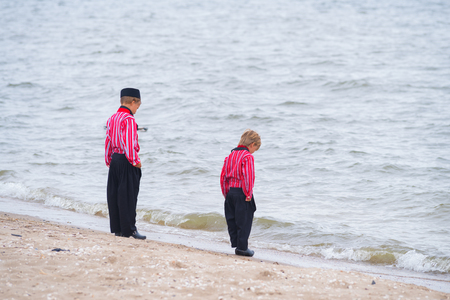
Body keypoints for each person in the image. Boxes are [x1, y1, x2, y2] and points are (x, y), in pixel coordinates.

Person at [105, 88, 146, 240]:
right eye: (138, 106)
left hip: (115, 160)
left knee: (115, 195)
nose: (137, 110)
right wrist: (136, 162)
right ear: (133, 102)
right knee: (128, 196)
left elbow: (108, 141)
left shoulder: (112, 118)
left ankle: (118, 229)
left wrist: (109, 159)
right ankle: (130, 230)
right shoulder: (129, 120)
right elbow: (128, 143)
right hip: (127, 160)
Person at [220, 129, 261, 257]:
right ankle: (242, 248)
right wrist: (248, 193)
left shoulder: (230, 156)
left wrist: (226, 193)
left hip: (230, 193)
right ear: (252, 144)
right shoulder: (248, 157)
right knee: (245, 220)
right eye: (256, 148)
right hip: (242, 193)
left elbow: (223, 177)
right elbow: (248, 176)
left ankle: (236, 244)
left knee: (232, 219)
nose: (254, 151)